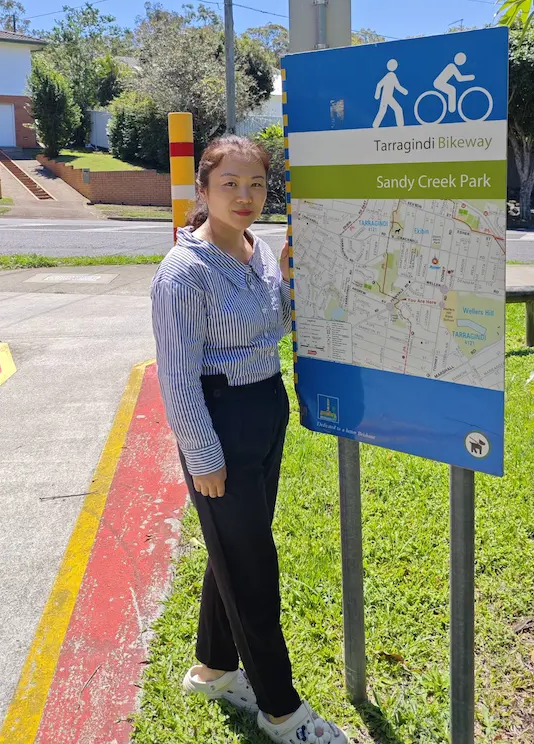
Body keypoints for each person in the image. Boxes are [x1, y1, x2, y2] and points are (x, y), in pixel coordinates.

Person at [151, 135, 348, 744]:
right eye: (230, 184)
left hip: (266, 406)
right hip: (219, 419)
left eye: (257, 184)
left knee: (236, 550)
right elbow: (176, 374)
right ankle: (280, 709)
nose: (245, 196)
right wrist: (203, 454)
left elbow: (275, 326)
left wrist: (287, 280)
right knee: (254, 565)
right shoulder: (184, 272)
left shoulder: (257, 250)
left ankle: (211, 670)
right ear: (204, 190)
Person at [372, 58, 408, 128]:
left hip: (387, 97)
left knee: (383, 111)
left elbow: (397, 86)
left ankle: (375, 125)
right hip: (386, 97)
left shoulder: (392, 75)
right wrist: (377, 95)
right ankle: (401, 126)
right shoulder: (390, 75)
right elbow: (379, 84)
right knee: (397, 109)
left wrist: (404, 91)